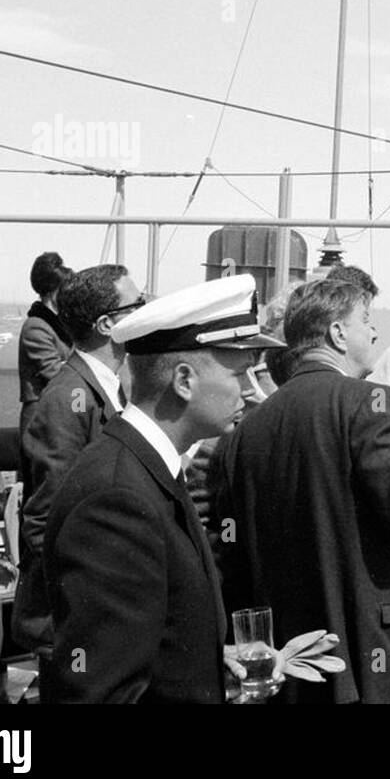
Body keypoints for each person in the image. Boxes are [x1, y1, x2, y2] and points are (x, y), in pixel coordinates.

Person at [210, 279, 390, 704]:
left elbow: (231, 549)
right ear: (337, 333)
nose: (373, 333)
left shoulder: (245, 431)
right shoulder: (370, 400)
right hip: (368, 655)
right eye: (365, 321)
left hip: (290, 660)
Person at [42, 274, 280, 703]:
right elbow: (100, 691)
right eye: (241, 373)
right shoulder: (118, 499)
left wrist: (207, 665)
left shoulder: (146, 470)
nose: (251, 391)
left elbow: (148, 637)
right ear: (184, 380)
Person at [16, 264, 144, 649]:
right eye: (135, 304)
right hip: (74, 618)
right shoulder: (68, 398)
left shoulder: (104, 387)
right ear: (106, 325)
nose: (144, 310)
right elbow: (46, 518)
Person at [17, 252, 74, 498]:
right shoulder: (36, 327)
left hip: (62, 411)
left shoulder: (59, 325)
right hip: (41, 415)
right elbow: (55, 373)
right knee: (39, 489)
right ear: (54, 291)